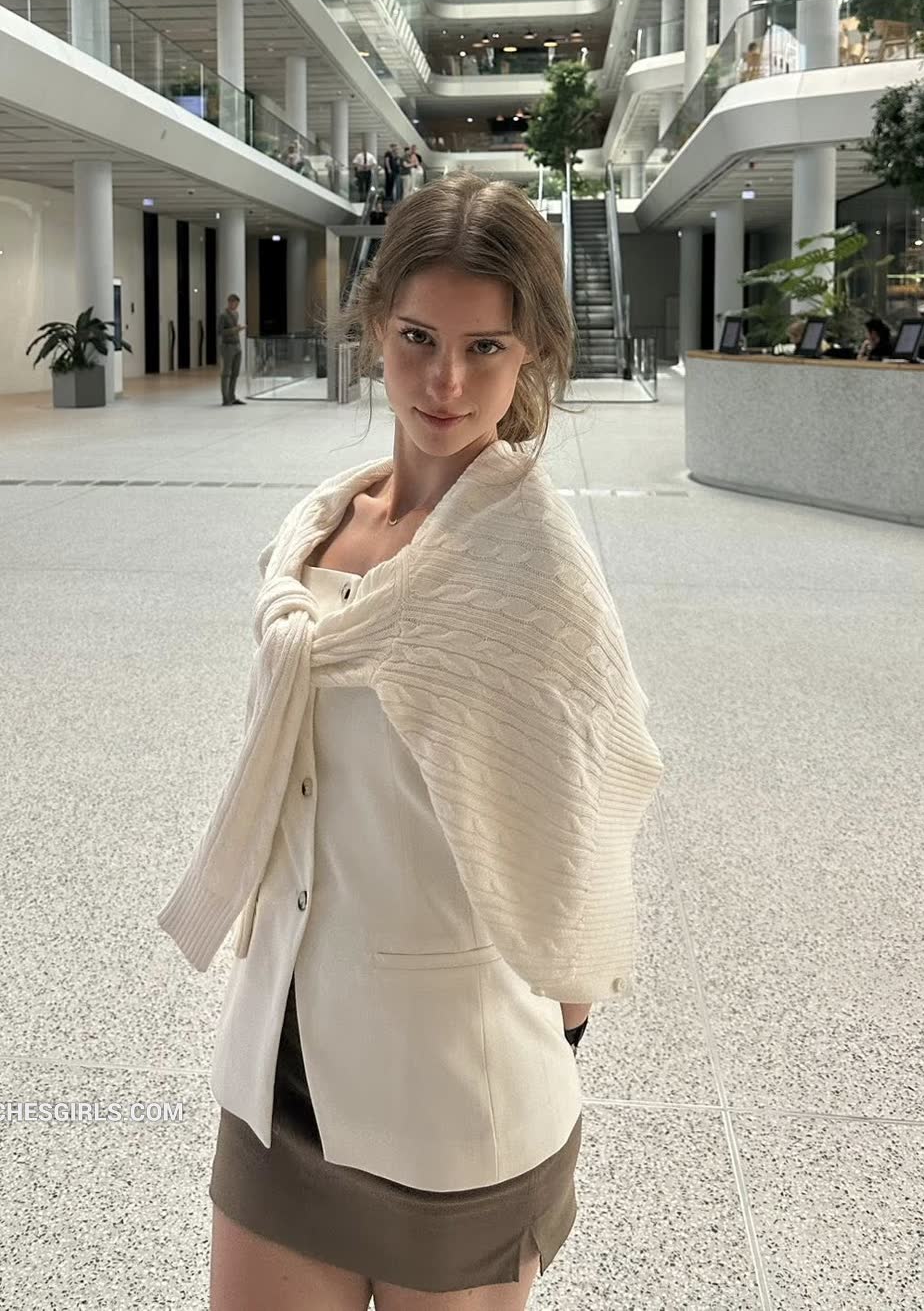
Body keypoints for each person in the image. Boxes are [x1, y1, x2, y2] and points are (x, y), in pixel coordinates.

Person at [158, 174, 664, 1311]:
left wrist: (565, 1002)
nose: (445, 382)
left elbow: (587, 804)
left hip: (450, 1100)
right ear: (375, 325)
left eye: (485, 348)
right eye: (419, 338)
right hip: (281, 1067)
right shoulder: (318, 527)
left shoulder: (530, 561)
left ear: (531, 354)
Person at [217, 294, 245, 406]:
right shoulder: (223, 315)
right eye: (235, 304)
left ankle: (232, 396)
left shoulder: (236, 314)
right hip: (227, 346)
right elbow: (220, 332)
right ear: (230, 302)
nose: (236, 306)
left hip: (237, 345)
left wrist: (237, 329)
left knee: (235, 373)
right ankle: (225, 398)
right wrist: (235, 329)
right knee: (226, 373)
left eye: (237, 304)